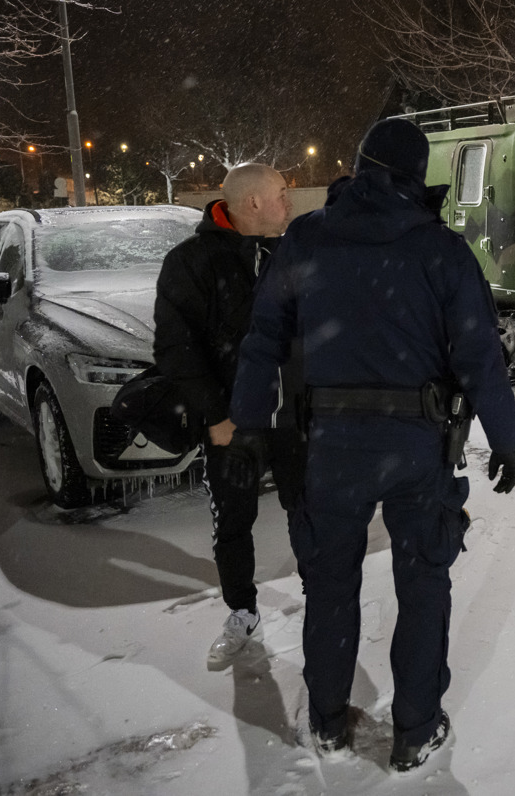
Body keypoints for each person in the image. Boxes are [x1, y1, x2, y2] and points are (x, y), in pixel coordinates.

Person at [229, 119, 515, 772]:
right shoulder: (441, 249)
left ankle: (329, 724)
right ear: (417, 177)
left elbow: (263, 338)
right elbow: (479, 355)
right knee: (423, 587)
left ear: (359, 165)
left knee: (330, 585)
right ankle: (415, 730)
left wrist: (248, 426)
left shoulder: (306, 237)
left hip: (329, 447)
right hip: (418, 445)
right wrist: (505, 440)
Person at [152, 163, 304, 669]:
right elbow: (176, 350)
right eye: (281, 193)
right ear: (253, 202)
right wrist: (216, 417)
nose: (290, 202)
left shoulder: (296, 254)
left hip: (297, 420)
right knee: (233, 523)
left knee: (310, 514)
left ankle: (322, 596)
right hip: (233, 428)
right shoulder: (192, 262)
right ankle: (242, 611)